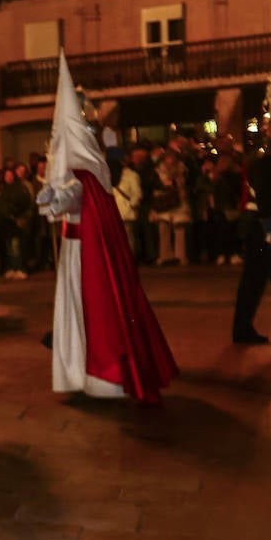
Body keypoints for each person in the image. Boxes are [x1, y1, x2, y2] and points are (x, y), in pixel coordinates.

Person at [35, 54, 177, 402]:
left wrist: (52, 197)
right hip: (77, 251)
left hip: (84, 255)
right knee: (80, 311)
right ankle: (80, 374)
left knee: (90, 312)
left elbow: (69, 198)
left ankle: (99, 377)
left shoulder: (84, 174)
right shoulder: (90, 171)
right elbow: (63, 204)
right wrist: (51, 197)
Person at [232, 109, 271, 343]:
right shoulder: (264, 160)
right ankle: (241, 329)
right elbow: (264, 197)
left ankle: (241, 329)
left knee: (258, 280)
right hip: (264, 226)